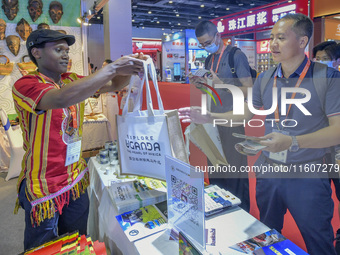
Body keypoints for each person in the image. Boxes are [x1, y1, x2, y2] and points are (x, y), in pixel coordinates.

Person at [179, 13, 340, 255]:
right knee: (266, 236)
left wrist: (293, 141)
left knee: (318, 242)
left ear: (303, 41)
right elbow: (245, 114)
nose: (273, 43)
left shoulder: (327, 77)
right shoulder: (266, 78)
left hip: (307, 175)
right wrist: (210, 117)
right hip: (269, 172)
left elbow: (337, 131)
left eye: (282, 38)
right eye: (272, 37)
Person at [12, 29, 144, 251]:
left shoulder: (71, 79)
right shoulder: (26, 85)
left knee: (76, 240)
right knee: (43, 247)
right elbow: (62, 98)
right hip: (43, 184)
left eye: (67, 50)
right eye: (58, 50)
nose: (66, 55)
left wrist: (131, 68)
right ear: (36, 53)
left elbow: (114, 86)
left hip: (75, 177)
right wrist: (111, 67)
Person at [189, 20, 253, 212]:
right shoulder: (208, 60)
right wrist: (202, 86)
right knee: (216, 169)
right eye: (202, 44)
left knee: (235, 173)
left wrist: (221, 83)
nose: (206, 47)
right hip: (213, 122)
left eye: (208, 42)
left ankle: (241, 212)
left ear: (218, 36)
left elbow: (249, 90)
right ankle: (221, 208)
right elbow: (212, 93)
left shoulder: (236, 56)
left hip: (232, 122)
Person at [314, 41, 340, 254]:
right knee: (319, 196)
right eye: (318, 59)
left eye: (325, 59)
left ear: (337, 62)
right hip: (317, 152)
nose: (320, 63)